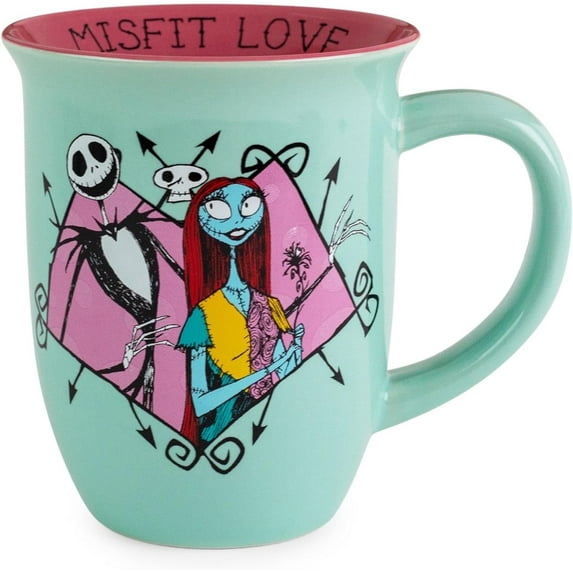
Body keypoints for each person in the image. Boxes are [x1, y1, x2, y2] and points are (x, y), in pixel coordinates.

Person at [177, 177, 304, 446]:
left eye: (248, 207)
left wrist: (296, 352)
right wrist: (265, 372)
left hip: (273, 430)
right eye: (219, 210)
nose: (236, 220)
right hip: (220, 435)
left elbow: (286, 375)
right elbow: (201, 403)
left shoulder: (269, 305)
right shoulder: (203, 314)